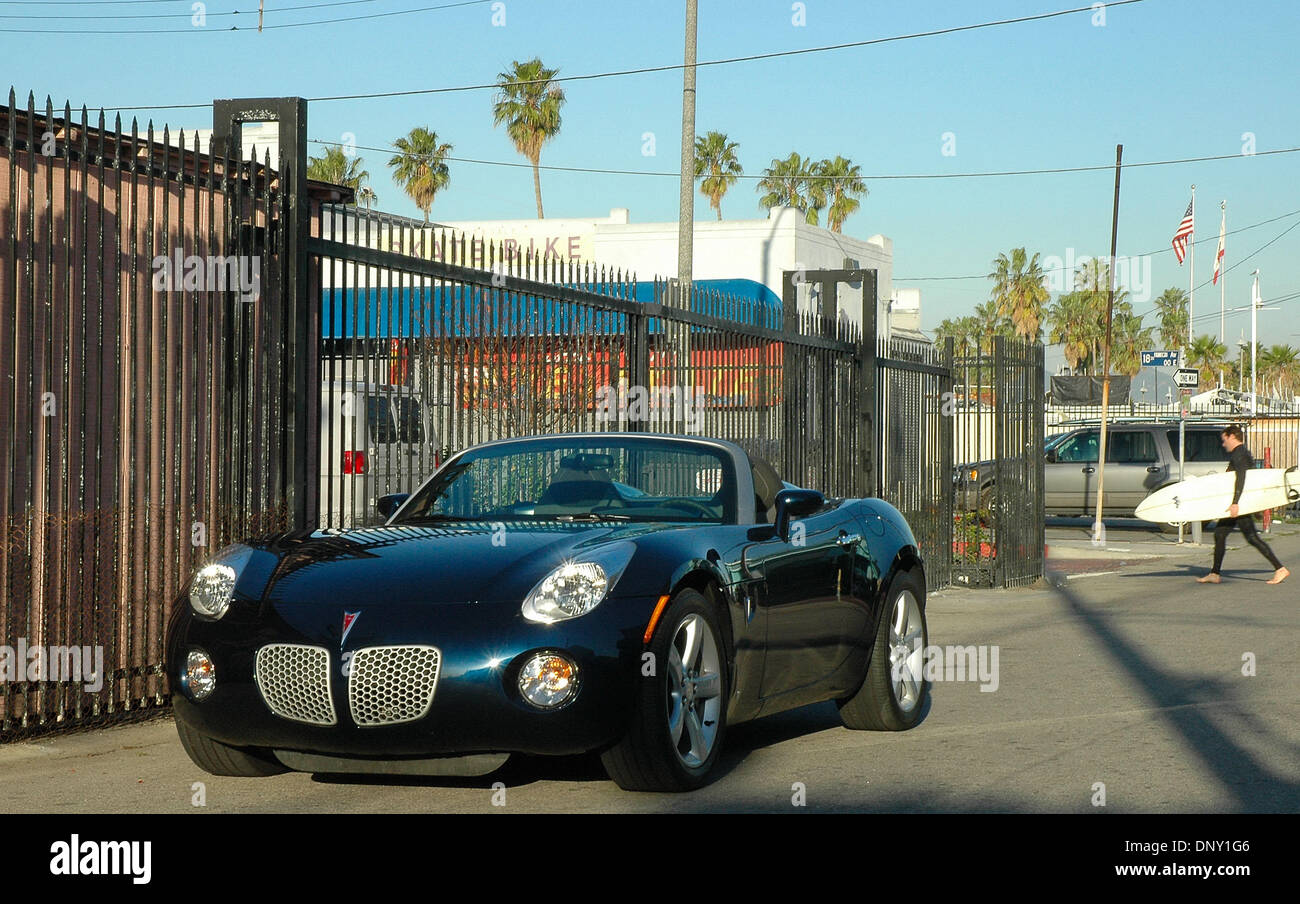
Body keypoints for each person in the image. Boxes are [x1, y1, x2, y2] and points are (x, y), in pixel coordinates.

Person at [1196, 425, 1289, 585]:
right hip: (1241, 502)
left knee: (1251, 537)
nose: (1223, 444)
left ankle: (1280, 569)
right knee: (1220, 534)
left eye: (1224, 440)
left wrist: (1235, 503)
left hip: (1241, 504)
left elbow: (1241, 479)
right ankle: (1215, 573)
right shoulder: (1240, 453)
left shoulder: (1240, 454)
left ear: (1232, 436)